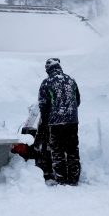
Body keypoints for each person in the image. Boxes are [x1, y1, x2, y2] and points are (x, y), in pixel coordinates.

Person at [38, 58, 81, 186]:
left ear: (48, 69)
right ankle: (73, 179)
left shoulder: (47, 83)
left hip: (55, 123)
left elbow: (43, 105)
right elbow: (77, 100)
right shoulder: (71, 80)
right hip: (72, 122)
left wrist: (45, 123)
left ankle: (61, 180)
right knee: (72, 149)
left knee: (58, 151)